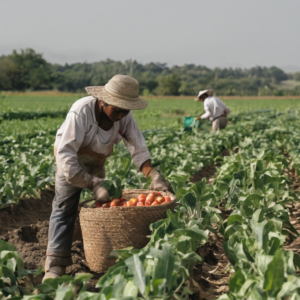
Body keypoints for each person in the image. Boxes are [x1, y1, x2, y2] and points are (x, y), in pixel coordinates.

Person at [43, 74, 171, 281]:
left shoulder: (125, 118)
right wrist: (92, 183)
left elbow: (138, 148)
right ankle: (55, 266)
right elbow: (65, 155)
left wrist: (154, 175)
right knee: (64, 208)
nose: (121, 114)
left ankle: (98, 253)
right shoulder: (82, 111)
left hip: (96, 163)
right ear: (104, 101)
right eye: (117, 109)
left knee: (102, 208)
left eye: (126, 109)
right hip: (70, 163)